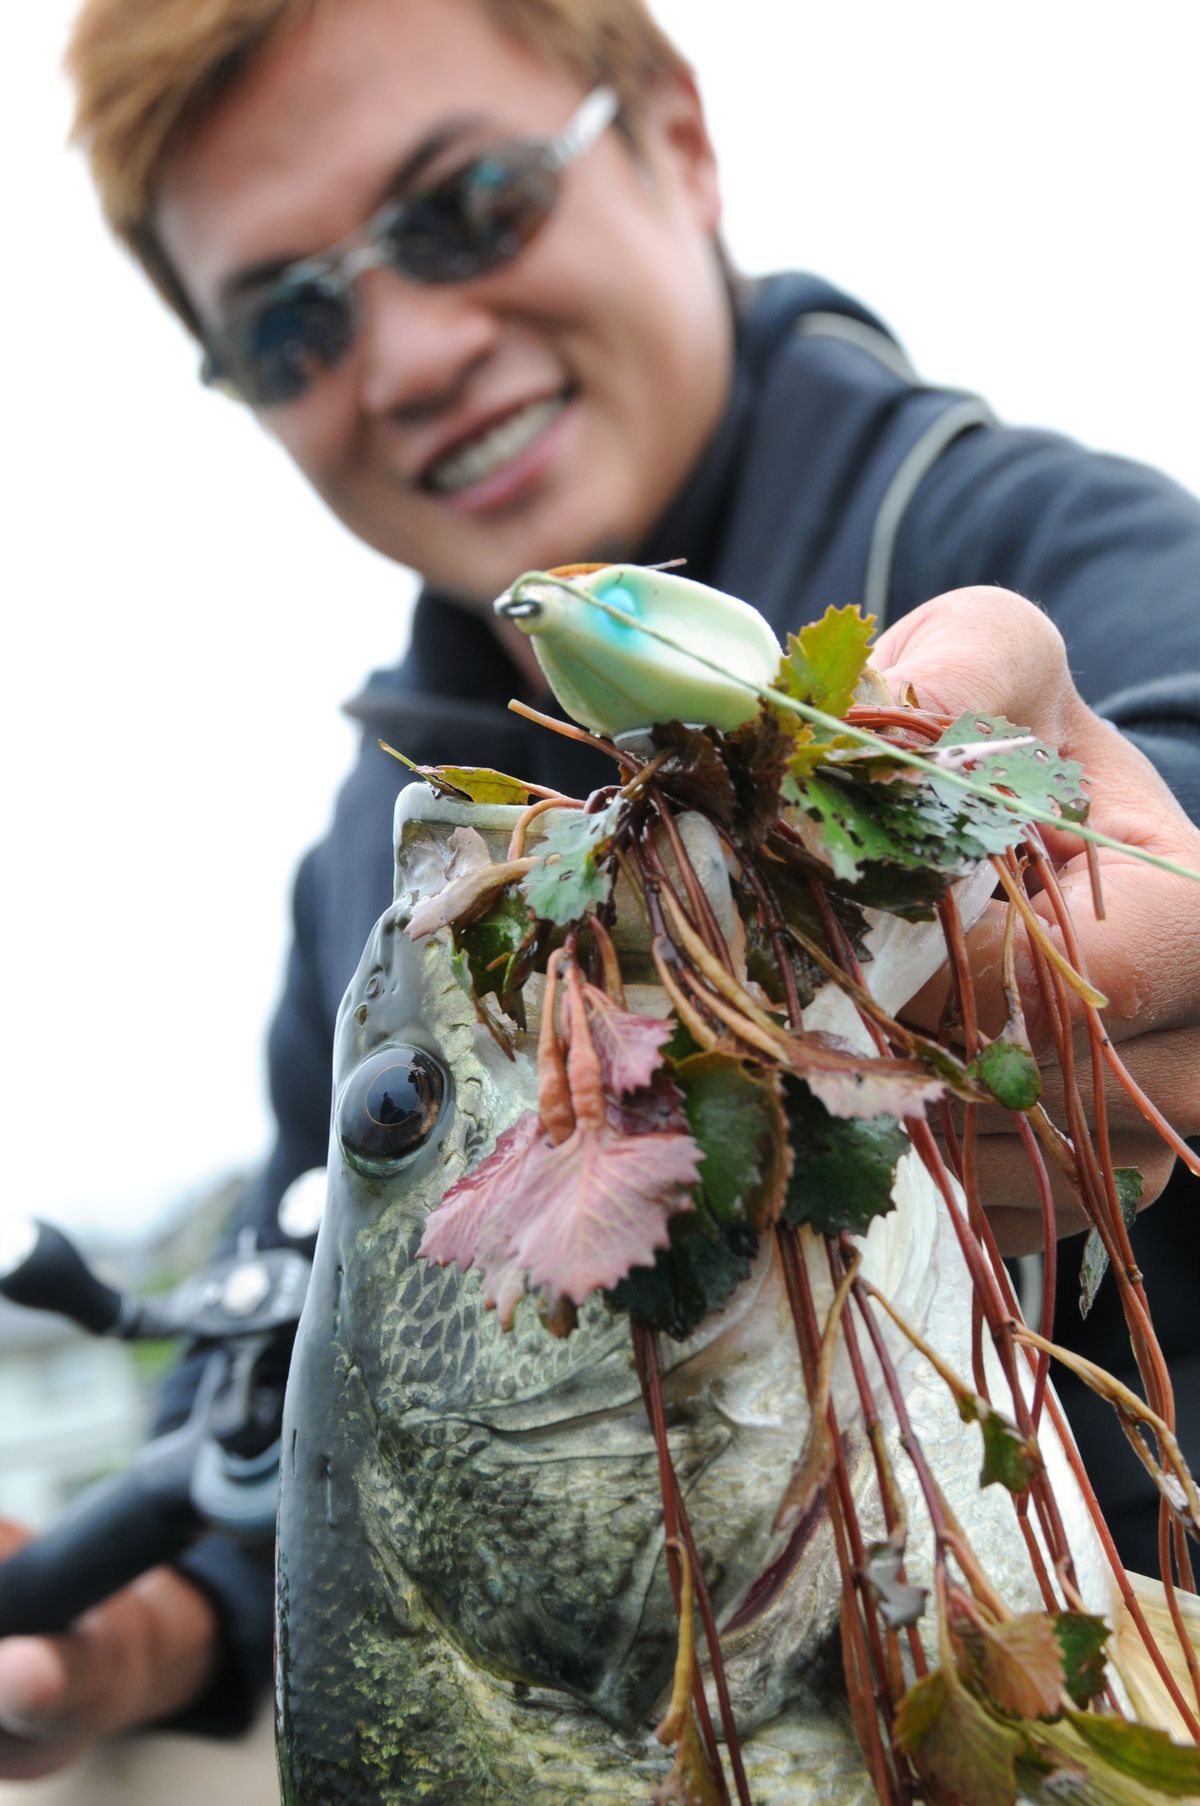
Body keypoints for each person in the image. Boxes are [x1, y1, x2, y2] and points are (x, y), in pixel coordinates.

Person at [2, 0, 1198, 1782]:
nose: (404, 356)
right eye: (292, 321)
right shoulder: (376, 867)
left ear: (677, 138)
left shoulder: (1034, 542)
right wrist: (138, 1623)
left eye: (467, 207)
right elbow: (314, 1337)